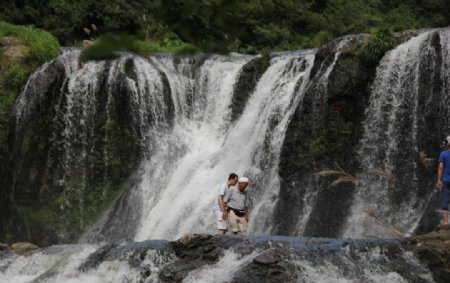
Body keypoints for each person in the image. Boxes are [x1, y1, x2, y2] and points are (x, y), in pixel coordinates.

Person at [437, 136, 450, 225]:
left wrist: (439, 180)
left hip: (446, 180)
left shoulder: (443, 154)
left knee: (446, 200)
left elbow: (441, 167)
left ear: (447, 144)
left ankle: (446, 222)